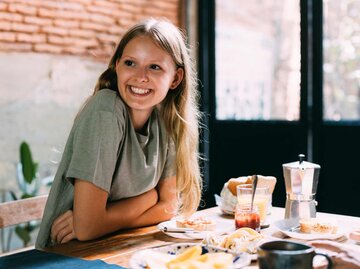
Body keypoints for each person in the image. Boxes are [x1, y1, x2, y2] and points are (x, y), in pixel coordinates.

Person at [35, 18, 202, 248]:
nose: (140, 76)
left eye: (154, 67)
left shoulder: (166, 121)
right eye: (130, 63)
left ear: (175, 78)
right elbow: (87, 228)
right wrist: (149, 198)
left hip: (117, 247)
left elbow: (168, 207)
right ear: (116, 66)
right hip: (67, 256)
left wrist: (106, 220)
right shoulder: (106, 110)